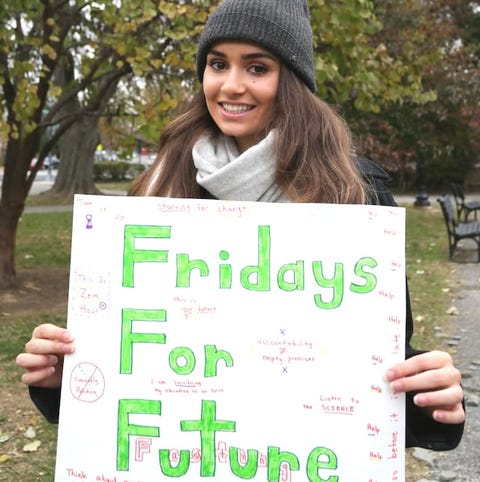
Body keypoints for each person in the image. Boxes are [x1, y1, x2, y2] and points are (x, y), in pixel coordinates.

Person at [16, 0, 464, 452]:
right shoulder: (160, 193)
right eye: (217, 64)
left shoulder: (355, 195)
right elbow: (130, 361)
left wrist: (432, 398)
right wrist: (64, 376)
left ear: (291, 81)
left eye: (256, 67)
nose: (231, 85)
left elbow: (374, 366)